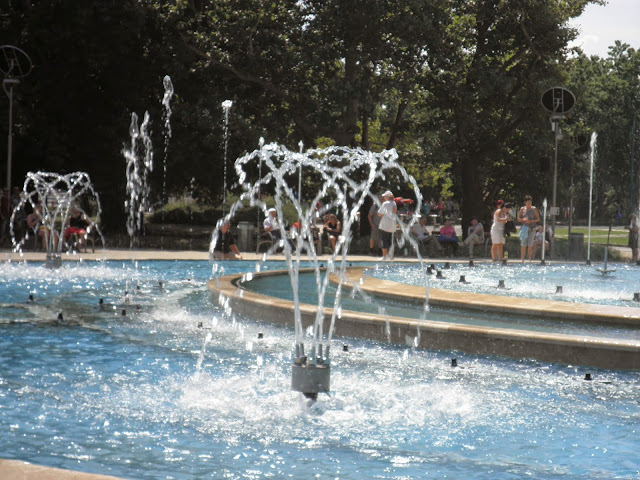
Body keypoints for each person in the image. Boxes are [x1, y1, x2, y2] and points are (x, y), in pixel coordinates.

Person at [517, 195, 540, 261]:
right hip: (524, 229)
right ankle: (522, 259)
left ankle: (529, 258)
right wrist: (524, 219)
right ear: (525, 202)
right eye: (528, 203)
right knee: (523, 244)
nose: (529, 204)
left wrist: (531, 221)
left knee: (530, 244)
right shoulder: (522, 209)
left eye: (530, 202)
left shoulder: (534, 209)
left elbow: (538, 219)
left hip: (532, 228)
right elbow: (518, 219)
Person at [377, 190, 397, 261]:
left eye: (384, 196)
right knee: (391, 242)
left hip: (385, 225)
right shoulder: (394, 203)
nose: (384, 197)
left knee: (384, 240)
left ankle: (384, 256)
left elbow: (379, 213)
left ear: (387, 197)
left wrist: (381, 214)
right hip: (392, 225)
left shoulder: (385, 203)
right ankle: (391, 256)